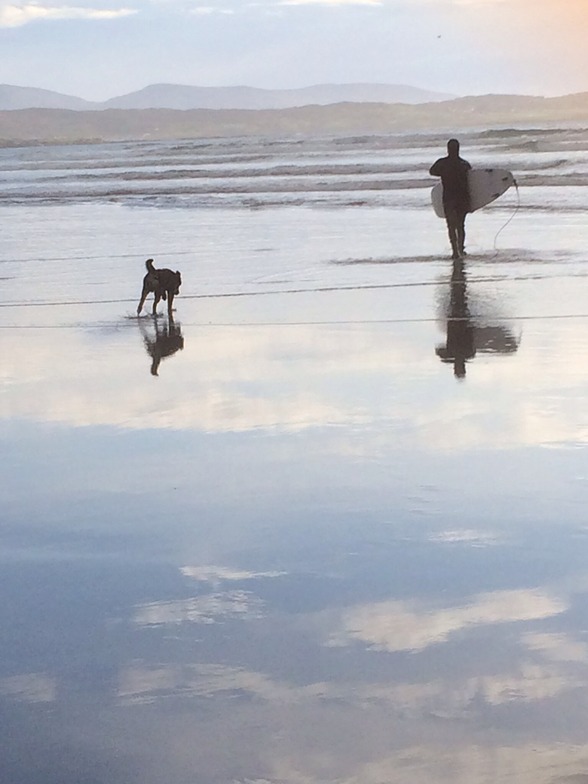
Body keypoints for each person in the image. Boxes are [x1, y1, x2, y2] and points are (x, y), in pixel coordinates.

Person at [429, 139, 471, 260]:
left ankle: (455, 251)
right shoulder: (464, 164)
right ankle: (461, 249)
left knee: (451, 226)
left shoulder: (442, 164)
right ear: (458, 149)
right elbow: (472, 181)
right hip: (462, 198)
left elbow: (432, 171)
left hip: (449, 198)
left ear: (448, 149)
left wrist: (443, 173)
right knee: (461, 225)